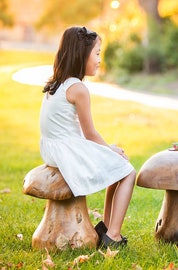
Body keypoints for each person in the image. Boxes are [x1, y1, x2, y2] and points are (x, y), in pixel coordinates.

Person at [39, 26, 136, 249]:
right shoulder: (78, 88)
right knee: (128, 172)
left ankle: (107, 228)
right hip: (66, 152)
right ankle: (114, 235)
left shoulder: (58, 83)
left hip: (54, 148)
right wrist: (109, 150)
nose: (100, 59)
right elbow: (90, 134)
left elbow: (77, 130)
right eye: (97, 53)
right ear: (82, 55)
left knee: (117, 170)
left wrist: (108, 150)